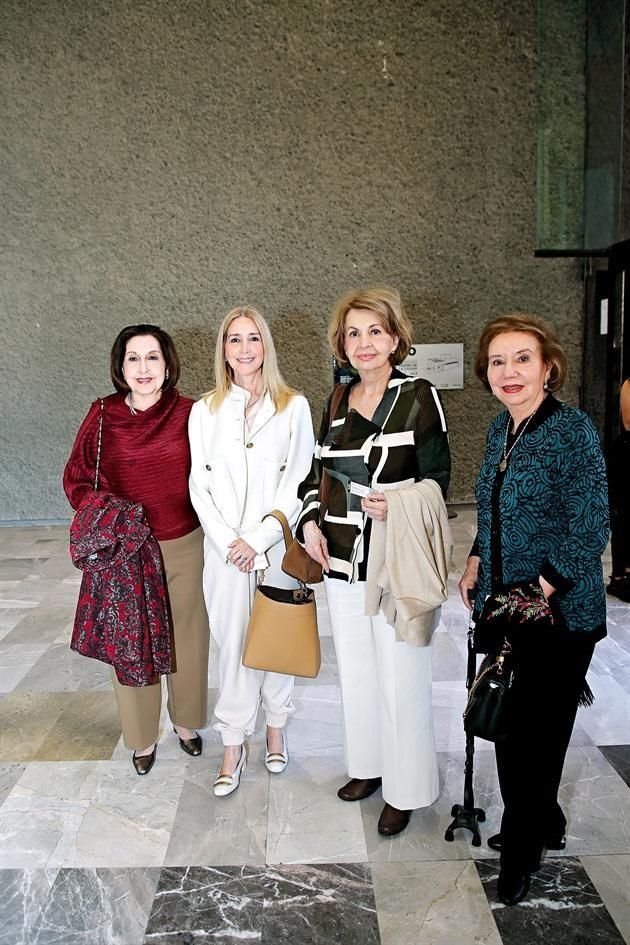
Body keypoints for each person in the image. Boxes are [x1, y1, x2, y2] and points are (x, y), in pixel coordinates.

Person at [458, 313, 609, 906]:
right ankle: (543, 820)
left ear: (548, 367)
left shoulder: (571, 432)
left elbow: (590, 524)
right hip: (506, 607)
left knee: (534, 736)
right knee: (513, 724)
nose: (509, 372)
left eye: (522, 359)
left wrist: (539, 588)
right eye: (498, 361)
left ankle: (523, 850)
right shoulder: (501, 430)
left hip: (559, 613)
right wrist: (475, 556)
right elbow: (494, 509)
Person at [297, 286, 451, 837]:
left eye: (375, 332)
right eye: (353, 333)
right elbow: (315, 476)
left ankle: (407, 789)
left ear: (395, 339)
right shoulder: (336, 401)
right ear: (342, 343)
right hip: (339, 558)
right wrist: (310, 522)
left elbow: (439, 481)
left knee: (402, 675)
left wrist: (400, 501)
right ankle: (368, 767)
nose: (364, 343)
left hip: (392, 558)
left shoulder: (419, 396)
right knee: (357, 673)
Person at [64, 324, 210, 775]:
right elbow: (76, 476)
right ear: (120, 366)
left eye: (152, 357)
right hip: (124, 551)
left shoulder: (193, 412)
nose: (143, 368)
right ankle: (142, 738)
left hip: (184, 542)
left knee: (188, 638)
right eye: (133, 358)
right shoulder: (104, 414)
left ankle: (187, 724)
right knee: (131, 642)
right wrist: (111, 516)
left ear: (168, 365)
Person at [188, 305, 314, 797]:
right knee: (234, 649)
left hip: (276, 547)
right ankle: (234, 743)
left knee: (277, 641)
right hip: (224, 555)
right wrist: (228, 543)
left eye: (253, 338)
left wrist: (258, 540)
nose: (244, 349)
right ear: (223, 349)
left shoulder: (293, 406)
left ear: (266, 346)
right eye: (234, 339)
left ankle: (278, 726)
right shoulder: (205, 411)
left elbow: (298, 479)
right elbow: (200, 486)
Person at [607, 377, 630, 601]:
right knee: (623, 515)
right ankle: (620, 575)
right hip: (626, 457)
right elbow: (629, 421)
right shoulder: (628, 384)